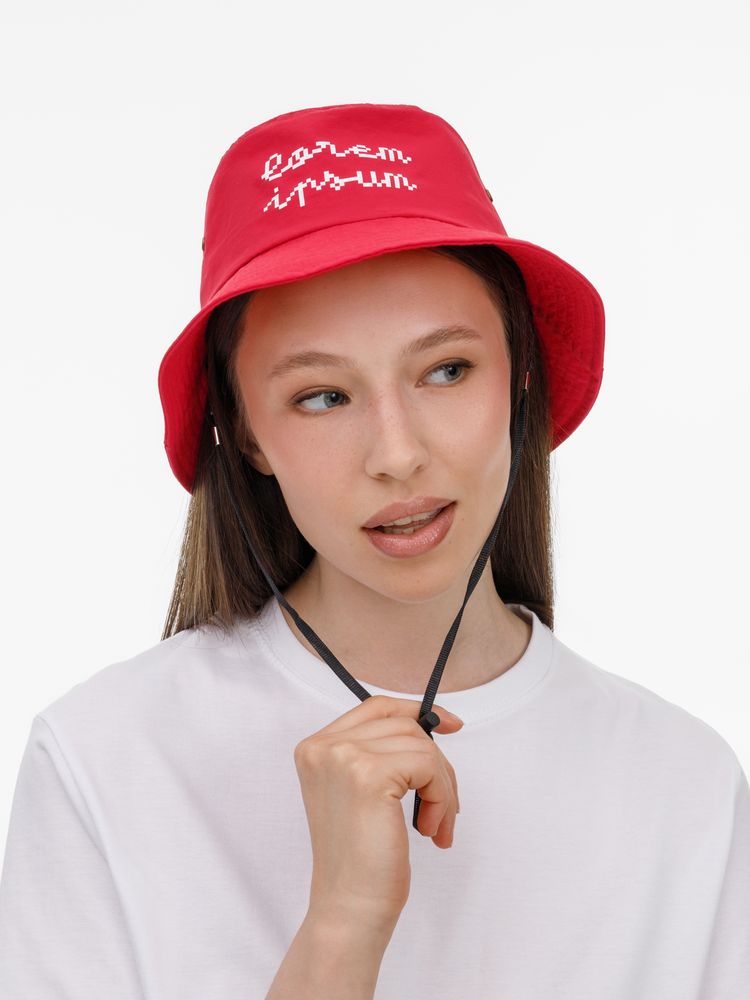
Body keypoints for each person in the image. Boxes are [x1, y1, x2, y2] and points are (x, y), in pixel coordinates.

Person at [0, 103, 748, 1000]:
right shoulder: (105, 758)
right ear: (244, 434)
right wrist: (343, 925)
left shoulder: (686, 784)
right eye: (322, 396)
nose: (397, 454)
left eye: (447, 370)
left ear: (520, 377)